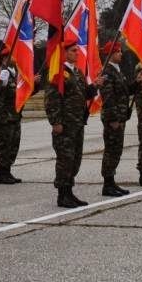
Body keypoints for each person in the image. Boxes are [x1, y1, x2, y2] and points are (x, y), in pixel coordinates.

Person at [46, 31, 102, 207]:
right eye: (73, 51)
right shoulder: (58, 73)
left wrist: (95, 86)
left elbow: (84, 94)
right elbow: (52, 99)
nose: (77, 53)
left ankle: (69, 192)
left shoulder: (77, 72)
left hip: (77, 123)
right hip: (65, 125)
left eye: (77, 50)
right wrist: (55, 121)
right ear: (64, 53)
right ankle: (62, 195)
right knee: (65, 159)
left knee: (75, 159)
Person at [98, 41, 133, 196]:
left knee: (117, 150)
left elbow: (124, 92)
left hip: (120, 117)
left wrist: (137, 83)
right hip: (113, 119)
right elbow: (108, 97)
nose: (121, 54)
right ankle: (107, 184)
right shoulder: (107, 72)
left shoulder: (118, 71)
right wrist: (113, 119)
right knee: (111, 150)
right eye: (118, 51)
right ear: (111, 54)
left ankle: (112, 182)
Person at [0, 49, 27, 185]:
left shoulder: (17, 74)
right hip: (4, 117)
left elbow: (22, 94)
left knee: (13, 145)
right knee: (4, 145)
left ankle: (8, 171)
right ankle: (2, 173)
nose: (15, 58)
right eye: (12, 55)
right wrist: (0, 83)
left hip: (15, 116)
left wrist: (33, 84)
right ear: (4, 59)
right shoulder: (0, 73)